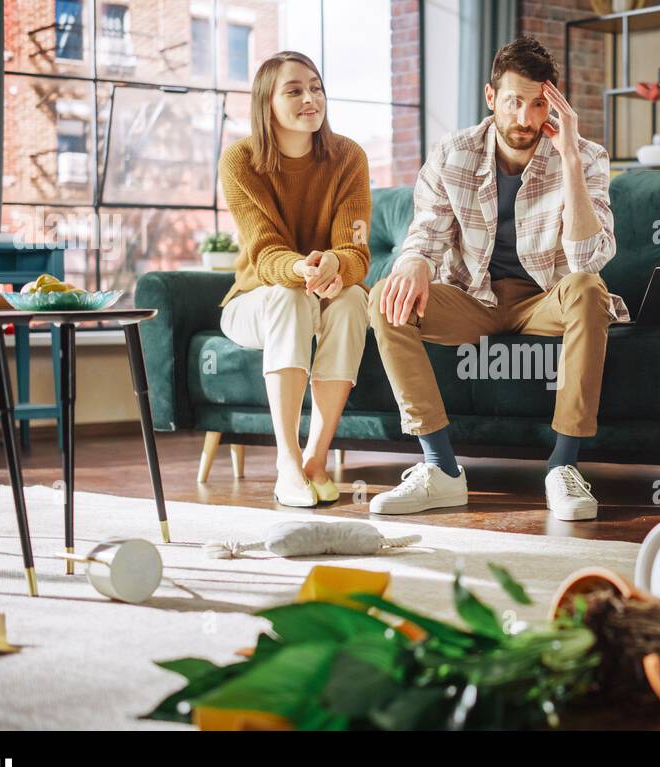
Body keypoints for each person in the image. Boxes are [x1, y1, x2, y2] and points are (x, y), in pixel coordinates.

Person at [369, 36, 627, 522]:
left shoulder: (587, 156)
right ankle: (440, 468)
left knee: (590, 292)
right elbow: (424, 234)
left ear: (553, 103)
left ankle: (563, 467)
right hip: (474, 299)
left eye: (537, 104)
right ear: (491, 98)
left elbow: (588, 260)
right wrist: (415, 262)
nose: (526, 119)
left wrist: (569, 156)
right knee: (386, 297)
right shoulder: (454, 152)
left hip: (547, 298)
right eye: (514, 102)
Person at [217, 51, 372, 507]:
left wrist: (336, 268)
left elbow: (357, 250)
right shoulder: (240, 160)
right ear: (267, 103)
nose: (311, 98)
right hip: (253, 303)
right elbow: (264, 252)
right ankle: (287, 463)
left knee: (351, 302)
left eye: (316, 87)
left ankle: (315, 460)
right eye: (295, 90)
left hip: (326, 294)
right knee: (289, 296)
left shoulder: (348, 157)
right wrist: (303, 269)